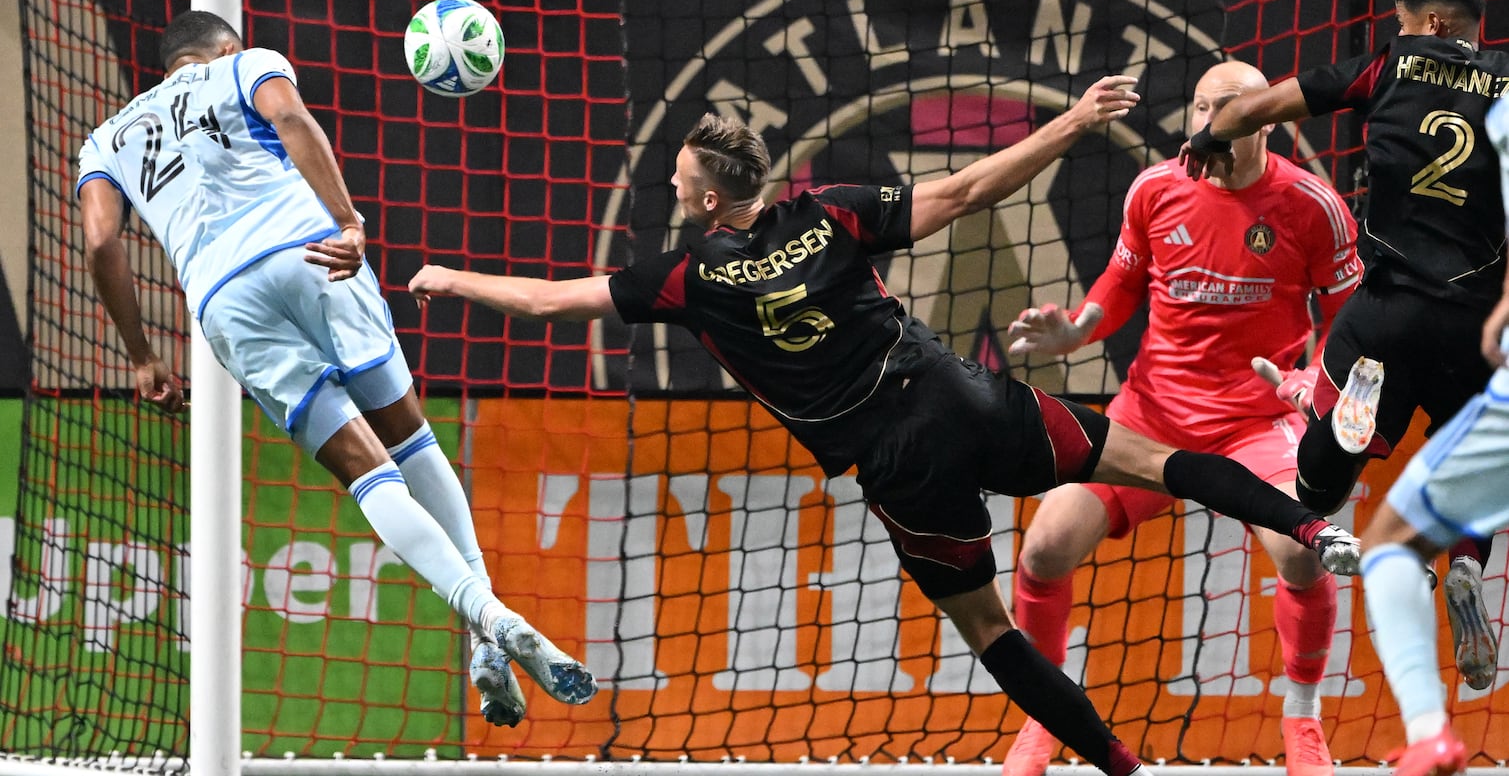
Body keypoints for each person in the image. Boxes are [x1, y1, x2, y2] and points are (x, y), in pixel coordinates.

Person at [409, 83, 1363, 776]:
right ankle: (1315, 528)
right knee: (1157, 461)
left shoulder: (686, 277)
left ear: (706, 202)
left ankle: (1116, 764)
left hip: (899, 461)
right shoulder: (829, 215)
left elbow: (543, 305)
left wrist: (450, 280)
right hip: (959, 393)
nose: (670, 187)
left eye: (675, 178)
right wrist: (1071, 122)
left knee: (988, 630)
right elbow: (969, 191)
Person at [75, 10, 594, 728]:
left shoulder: (107, 140)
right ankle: (485, 628)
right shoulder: (245, 63)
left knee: (364, 471)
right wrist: (348, 221)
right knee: (411, 441)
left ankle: (487, 621)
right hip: (309, 251)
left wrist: (139, 354)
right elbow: (288, 116)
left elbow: (102, 240)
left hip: (223, 299)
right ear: (222, 48)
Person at [1000, 62, 1361, 776]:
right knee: (1042, 549)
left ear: (1263, 119)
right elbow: (1123, 281)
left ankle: (1300, 719)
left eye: (1225, 110)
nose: (1207, 123)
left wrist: (1309, 384)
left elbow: (1350, 325)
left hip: (1256, 423)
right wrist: (1077, 330)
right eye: (1199, 107)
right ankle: (1044, 718)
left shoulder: (1312, 204)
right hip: (1149, 415)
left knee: (1299, 552)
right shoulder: (1156, 187)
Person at [1181, 0, 1509, 692]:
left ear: (1433, 26)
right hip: (1476, 319)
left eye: (1404, 22)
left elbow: (1254, 110)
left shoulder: (1388, 65)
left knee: (1317, 492)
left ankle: (1343, 431)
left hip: (1384, 310)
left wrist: (1210, 137)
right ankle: (1460, 566)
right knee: (1475, 466)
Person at [1354, 93, 1509, 776]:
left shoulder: (1496, 115)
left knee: (1387, 538)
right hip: (1463, 334)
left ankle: (1430, 733)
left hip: (1412, 330)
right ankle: (1465, 564)